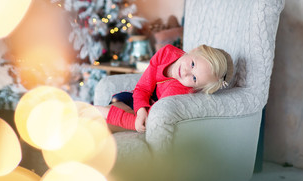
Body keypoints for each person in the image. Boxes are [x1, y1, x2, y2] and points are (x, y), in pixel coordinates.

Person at [95, 44, 233, 133]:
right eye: (192, 64)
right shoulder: (167, 52)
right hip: (138, 98)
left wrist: (139, 118)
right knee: (108, 111)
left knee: (103, 125)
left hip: (154, 109)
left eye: (194, 78)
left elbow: (154, 120)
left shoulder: (179, 90)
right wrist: (140, 108)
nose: (185, 73)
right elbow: (143, 87)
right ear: (194, 50)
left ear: (196, 87)